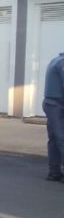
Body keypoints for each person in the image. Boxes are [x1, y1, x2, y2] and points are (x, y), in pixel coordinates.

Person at [44, 51, 64, 181]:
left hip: (51, 103)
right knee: (61, 138)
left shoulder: (56, 60)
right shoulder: (62, 63)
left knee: (54, 139)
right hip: (57, 105)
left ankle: (54, 171)